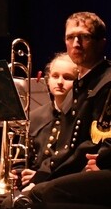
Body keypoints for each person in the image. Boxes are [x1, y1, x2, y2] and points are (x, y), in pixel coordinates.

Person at [26, 12, 111, 188]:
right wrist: (39, 178)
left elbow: (90, 147)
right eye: (70, 37)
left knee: (35, 197)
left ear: (101, 43)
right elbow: (63, 149)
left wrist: (102, 161)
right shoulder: (77, 88)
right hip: (68, 174)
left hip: (92, 177)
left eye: (84, 37)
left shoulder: (107, 82)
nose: (76, 43)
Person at [16, 52, 75, 188]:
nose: (60, 82)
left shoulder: (79, 116)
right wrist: (18, 173)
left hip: (61, 186)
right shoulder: (34, 117)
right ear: (47, 80)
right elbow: (21, 160)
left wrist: (40, 177)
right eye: (55, 76)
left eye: (68, 77)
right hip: (30, 186)